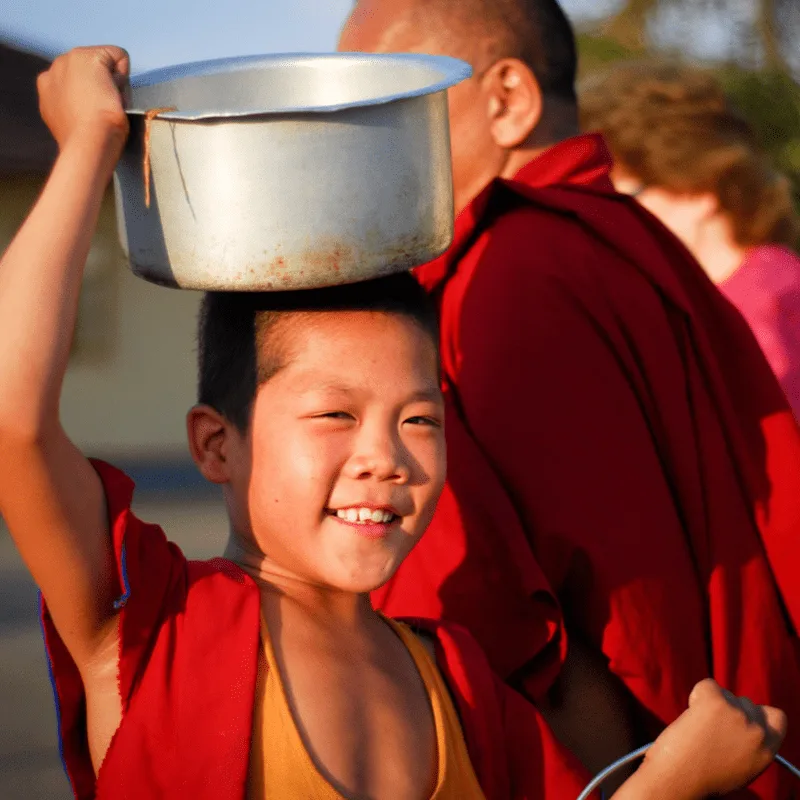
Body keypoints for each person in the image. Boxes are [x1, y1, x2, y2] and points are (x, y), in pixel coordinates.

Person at [0, 44, 787, 800]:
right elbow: (14, 418)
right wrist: (86, 149)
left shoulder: (461, 682)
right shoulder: (150, 623)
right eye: (335, 413)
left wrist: (671, 778)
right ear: (216, 443)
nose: (387, 458)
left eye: (420, 420)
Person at [339, 2, 800, 796]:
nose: (356, 149)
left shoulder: (515, 268)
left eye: (384, 109)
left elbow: (578, 620)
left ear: (508, 98)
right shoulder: (623, 234)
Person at [580, 60, 800, 418]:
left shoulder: (771, 306)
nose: (601, 220)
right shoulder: (699, 303)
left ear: (698, 189)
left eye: (621, 198)